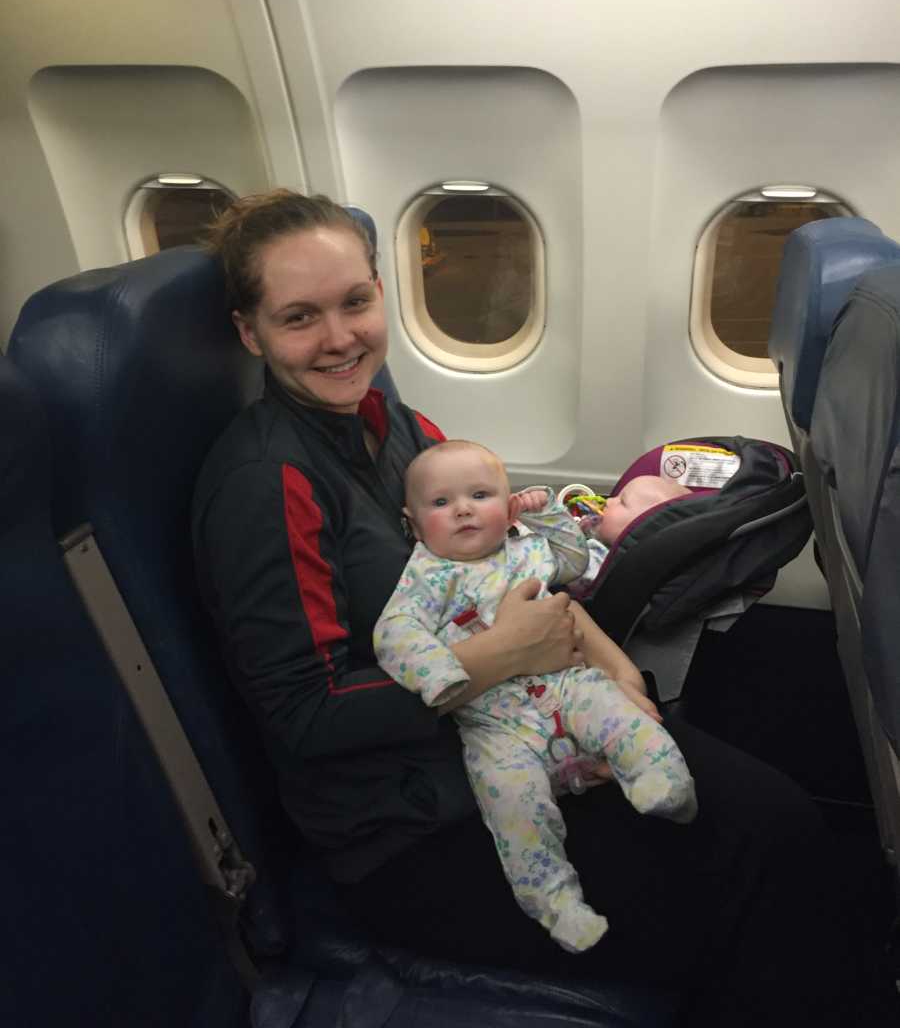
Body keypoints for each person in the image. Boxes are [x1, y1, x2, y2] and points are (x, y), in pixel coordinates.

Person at [192, 189, 855, 1027]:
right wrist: (502, 658)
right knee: (759, 870)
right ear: (250, 332)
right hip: (409, 834)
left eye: (355, 302)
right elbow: (305, 713)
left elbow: (480, 576)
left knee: (775, 817)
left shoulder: (395, 428)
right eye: (299, 317)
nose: (339, 337)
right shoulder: (265, 484)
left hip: (508, 729)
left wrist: (605, 676)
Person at [374, 440, 697, 952]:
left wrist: (544, 513)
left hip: (567, 686)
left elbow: (572, 562)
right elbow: (395, 634)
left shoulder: (523, 546)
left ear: (505, 508)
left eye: (479, 495)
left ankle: (662, 782)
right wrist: (441, 672)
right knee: (513, 810)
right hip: (493, 722)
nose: (461, 509)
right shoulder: (424, 578)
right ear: (413, 524)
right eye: (440, 504)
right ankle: (555, 903)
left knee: (623, 717)